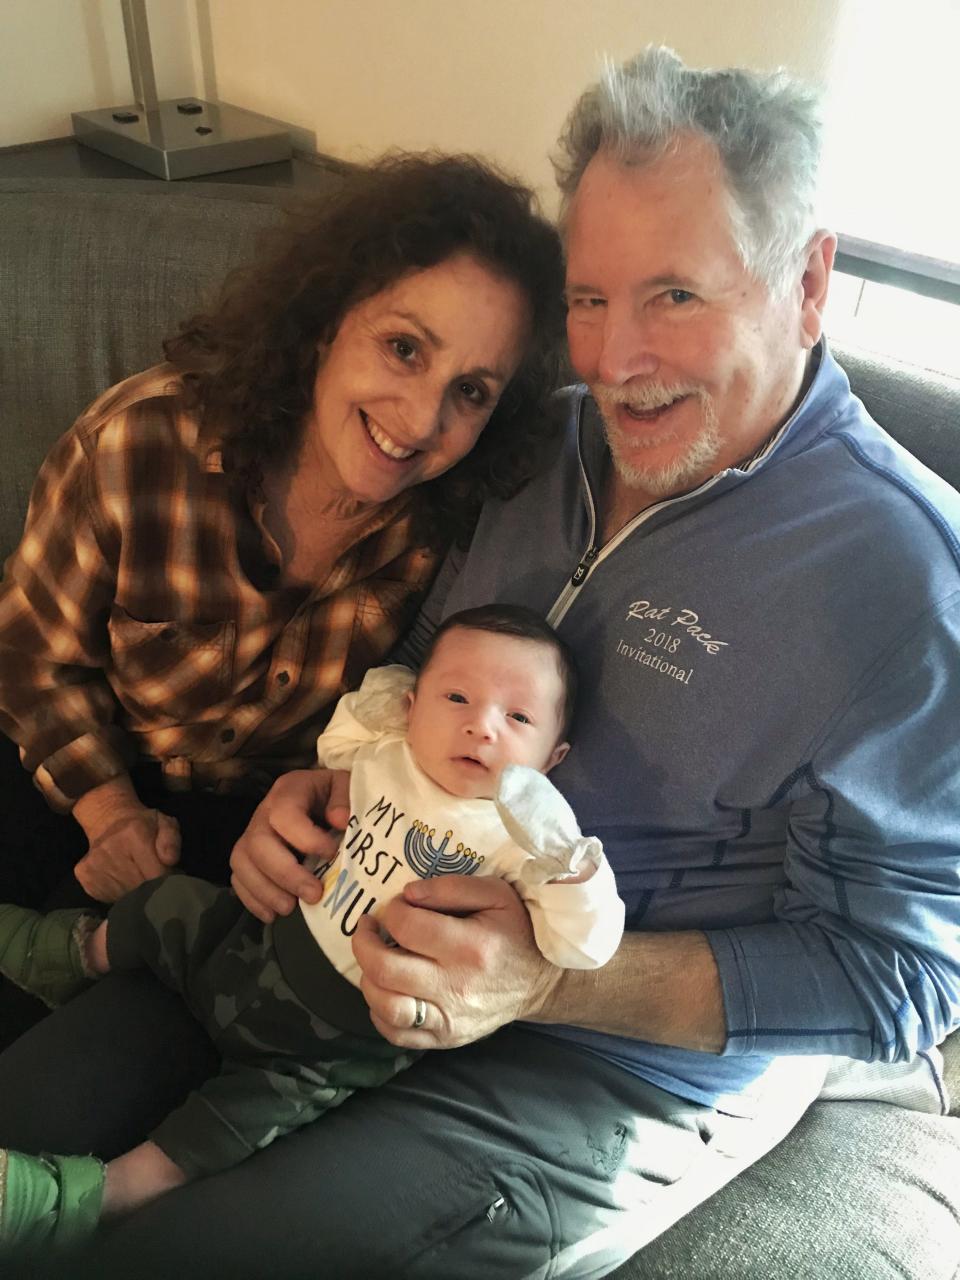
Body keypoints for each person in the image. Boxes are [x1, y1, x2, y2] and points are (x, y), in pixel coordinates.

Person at [1, 46, 958, 1280]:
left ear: (810, 281)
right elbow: (402, 662)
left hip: (594, 1063)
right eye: (591, 299)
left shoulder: (910, 583)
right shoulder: (530, 452)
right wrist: (318, 781)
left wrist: (549, 979)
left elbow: (905, 981)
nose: (613, 362)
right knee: (28, 1120)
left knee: (175, 1255)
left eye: (675, 295)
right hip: (340, 933)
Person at [0, 152, 565, 1040]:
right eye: (403, 348)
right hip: (68, 772)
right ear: (325, 319)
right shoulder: (139, 446)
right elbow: (31, 660)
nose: (419, 422)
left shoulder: (451, 538)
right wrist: (108, 813)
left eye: (470, 393)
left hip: (255, 841)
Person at [0, 605, 624, 1246]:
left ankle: (87, 1200)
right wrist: (392, 709)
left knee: (225, 1128)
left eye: (517, 718)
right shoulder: (386, 756)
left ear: (554, 758)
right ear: (415, 707)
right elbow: (343, 732)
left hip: (333, 1043)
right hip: (255, 937)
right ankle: (69, 954)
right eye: (458, 697)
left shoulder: (525, 842)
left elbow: (584, 943)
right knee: (168, 903)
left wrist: (574, 866)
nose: (480, 727)